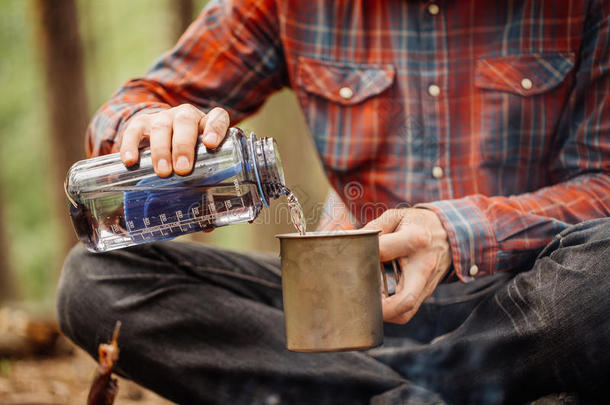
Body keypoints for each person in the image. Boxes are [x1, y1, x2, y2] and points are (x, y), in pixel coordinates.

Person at [57, 0, 610, 403]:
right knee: (94, 280)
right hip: (339, 309)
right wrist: (151, 124)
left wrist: (455, 231)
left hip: (523, 300)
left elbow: (603, 184)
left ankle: (365, 389)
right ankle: (451, 389)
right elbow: (133, 106)